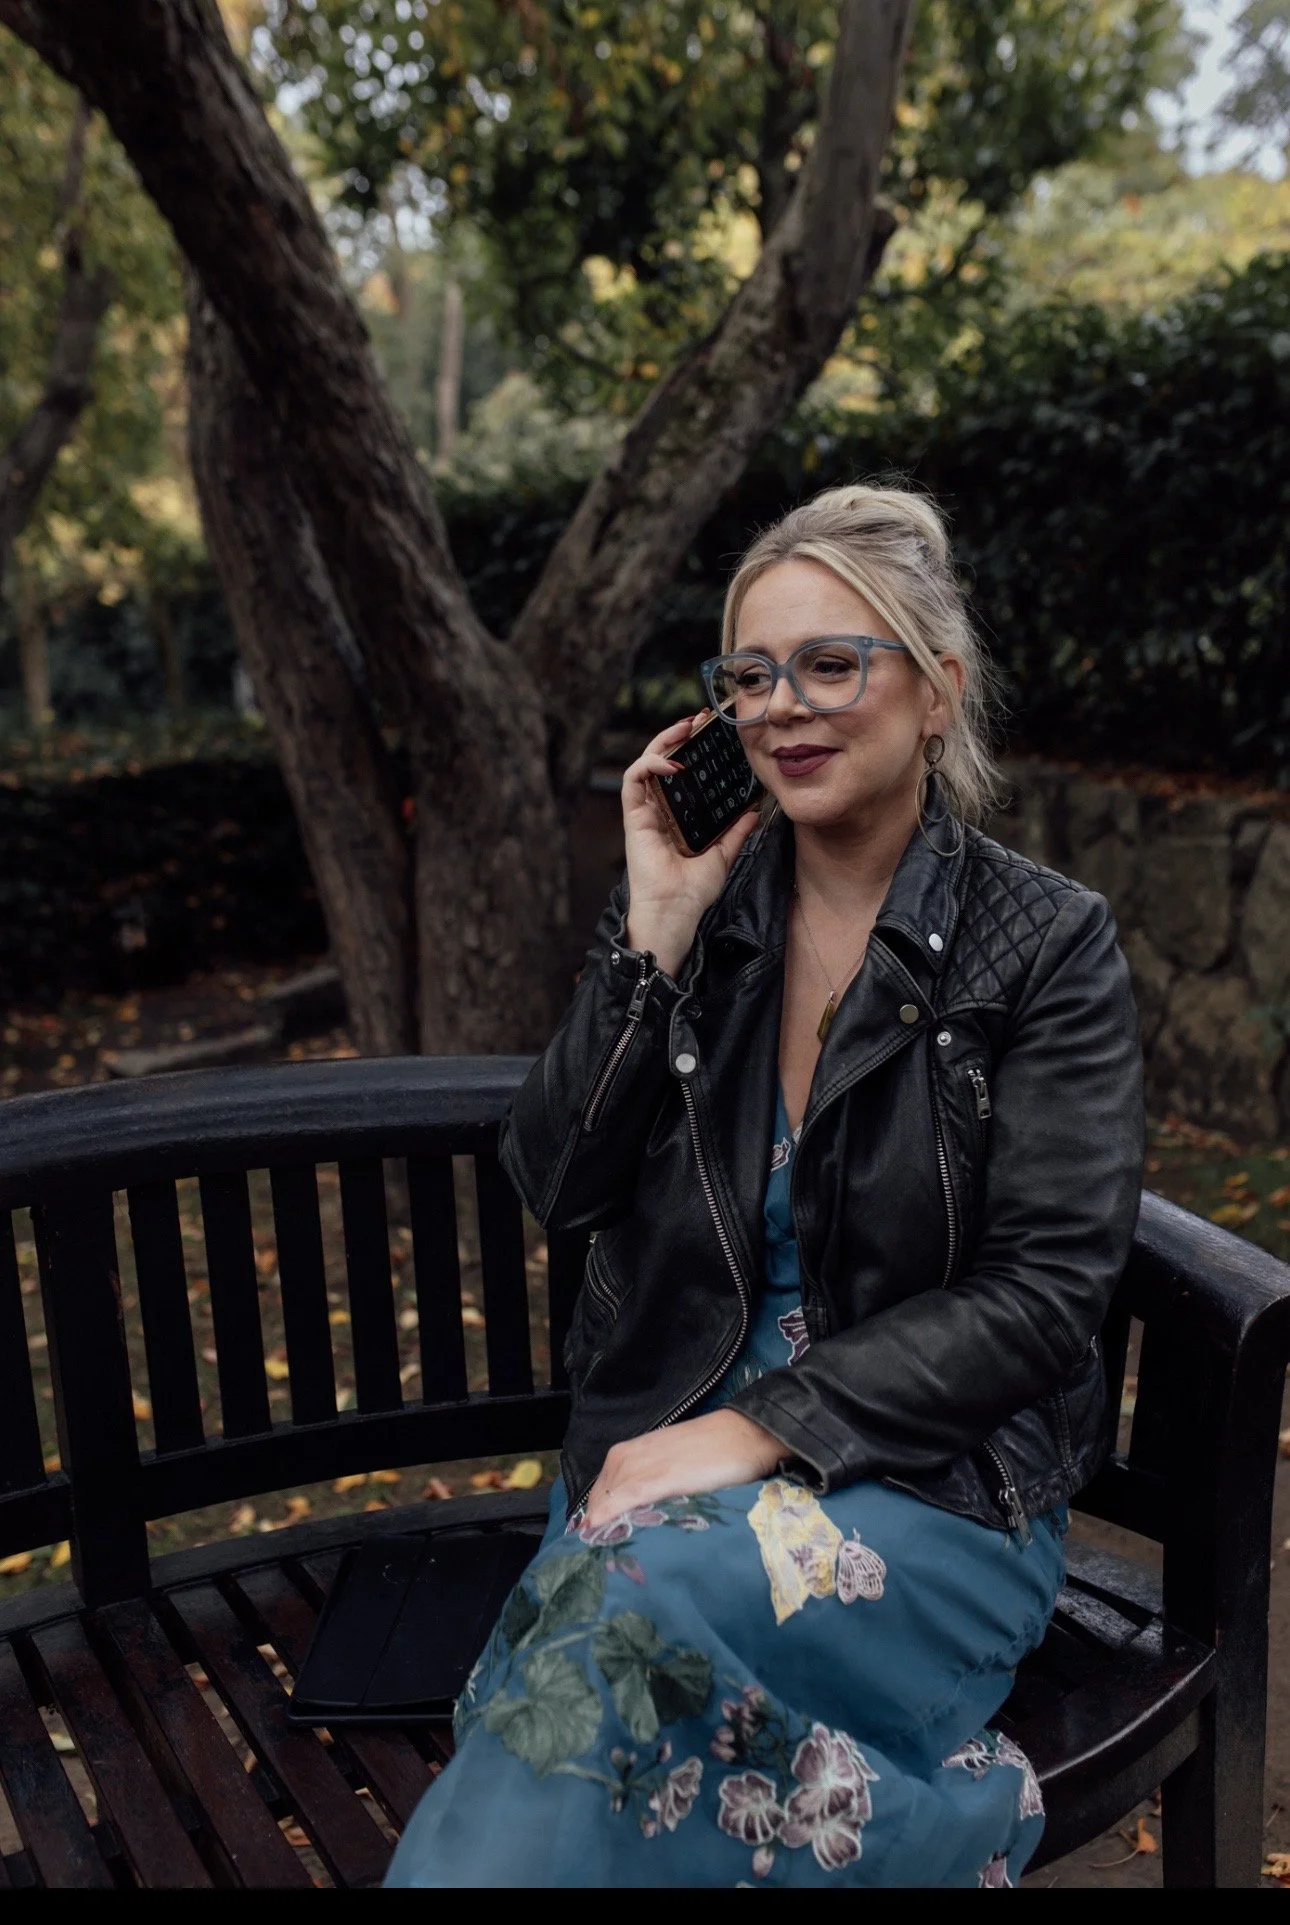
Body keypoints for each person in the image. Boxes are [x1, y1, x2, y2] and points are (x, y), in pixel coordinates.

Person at [386, 482, 1144, 1888]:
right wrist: (652, 943)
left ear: (936, 692)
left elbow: (1044, 1298)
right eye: (748, 675)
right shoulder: (696, 910)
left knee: (601, 1645)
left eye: (829, 662)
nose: (782, 706)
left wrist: (753, 1432)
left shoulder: (1042, 946)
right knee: (606, 1656)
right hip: (657, 1476)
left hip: (922, 1494)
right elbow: (555, 1184)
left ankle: (930, 1811)